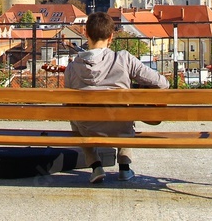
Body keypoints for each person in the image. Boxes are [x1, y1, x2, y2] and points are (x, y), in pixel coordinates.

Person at [64, 12, 169, 184]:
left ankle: (96, 165)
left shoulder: (72, 68)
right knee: (126, 112)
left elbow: (67, 105)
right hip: (120, 126)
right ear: (111, 36)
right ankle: (124, 168)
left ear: (86, 34)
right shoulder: (124, 59)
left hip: (88, 128)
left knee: (75, 117)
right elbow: (162, 84)